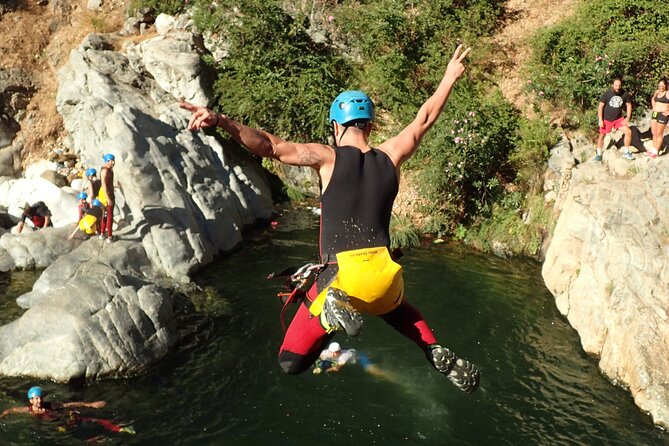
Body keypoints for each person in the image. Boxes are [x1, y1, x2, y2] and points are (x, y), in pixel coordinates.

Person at [180, 44, 480, 394]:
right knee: (396, 309)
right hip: (386, 276)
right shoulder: (391, 155)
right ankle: (432, 348)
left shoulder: (328, 157)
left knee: (290, 361)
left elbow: (269, 146)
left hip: (344, 278)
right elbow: (424, 118)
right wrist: (448, 77)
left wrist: (221, 120)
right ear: (370, 125)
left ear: (336, 126)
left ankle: (328, 314)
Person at [0, 386, 134, 434]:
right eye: (36, 399)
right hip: (56, 428)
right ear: (31, 400)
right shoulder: (27, 410)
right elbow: (10, 411)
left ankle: (120, 427)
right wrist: (2, 416)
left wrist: (91, 404)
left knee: (91, 420)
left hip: (63, 421)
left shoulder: (50, 406)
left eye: (40, 398)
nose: (39, 401)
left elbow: (68, 404)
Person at [595, 77, 634, 161]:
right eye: (616, 85)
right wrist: (600, 120)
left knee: (628, 132)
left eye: (619, 86)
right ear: (613, 85)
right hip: (607, 119)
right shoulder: (607, 93)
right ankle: (598, 153)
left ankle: (626, 152)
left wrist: (627, 117)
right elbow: (600, 106)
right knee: (602, 135)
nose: (617, 87)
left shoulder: (624, 94)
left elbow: (629, 105)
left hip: (618, 119)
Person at [313, 342, 395, 382]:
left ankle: (392, 377)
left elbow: (337, 368)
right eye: (332, 352)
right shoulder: (326, 352)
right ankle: (375, 357)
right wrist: (318, 365)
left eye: (336, 352)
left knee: (375, 372)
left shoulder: (343, 356)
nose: (334, 354)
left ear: (339, 351)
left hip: (360, 359)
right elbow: (319, 356)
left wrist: (327, 370)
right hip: (354, 354)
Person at [98, 154, 116, 243]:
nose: (113, 162)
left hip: (105, 195)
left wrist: (115, 187)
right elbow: (103, 185)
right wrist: (108, 198)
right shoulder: (105, 171)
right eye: (111, 161)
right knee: (109, 216)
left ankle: (102, 234)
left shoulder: (107, 169)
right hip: (106, 196)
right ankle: (109, 236)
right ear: (107, 161)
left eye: (113, 160)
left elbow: (108, 183)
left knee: (105, 215)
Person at [649, 78, 669, 158]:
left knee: (659, 133)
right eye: (660, 85)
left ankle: (656, 151)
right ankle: (653, 149)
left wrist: (668, 112)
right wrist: (654, 106)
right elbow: (653, 99)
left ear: (666, 85)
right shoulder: (657, 92)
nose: (661, 87)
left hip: (662, 114)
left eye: (662, 85)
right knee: (654, 132)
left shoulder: (667, 93)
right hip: (655, 113)